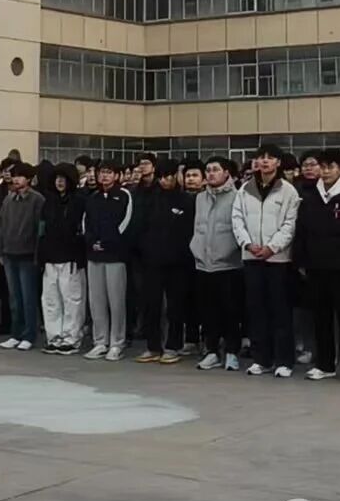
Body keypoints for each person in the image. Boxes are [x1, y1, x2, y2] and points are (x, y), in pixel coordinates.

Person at [294, 151, 340, 383]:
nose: (325, 171)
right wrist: (301, 261)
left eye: (331, 167)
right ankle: (324, 364)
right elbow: (301, 232)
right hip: (316, 267)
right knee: (321, 318)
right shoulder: (310, 198)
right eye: (323, 167)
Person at [231, 145, 300, 378]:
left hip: (278, 259)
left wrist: (272, 247)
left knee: (280, 310)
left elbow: (290, 224)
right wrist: (247, 243)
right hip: (251, 257)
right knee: (256, 310)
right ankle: (262, 359)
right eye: (261, 158)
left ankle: (284, 361)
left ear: (278, 163)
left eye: (270, 158)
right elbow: (237, 219)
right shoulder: (245, 189)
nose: (265, 161)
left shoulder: (288, 191)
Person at [135, 161, 194, 364]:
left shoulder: (186, 200)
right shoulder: (151, 199)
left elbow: (189, 232)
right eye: (161, 176)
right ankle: (153, 346)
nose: (165, 180)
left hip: (178, 263)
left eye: (169, 176)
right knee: (151, 305)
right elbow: (141, 227)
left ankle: (173, 345)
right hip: (151, 261)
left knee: (175, 307)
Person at [189, 156, 243, 372]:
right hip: (203, 263)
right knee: (207, 311)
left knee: (230, 310)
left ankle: (232, 352)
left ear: (226, 173)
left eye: (215, 170)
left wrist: (229, 251)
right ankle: (211, 351)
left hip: (228, 263)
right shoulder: (200, 198)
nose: (211, 174)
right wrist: (196, 249)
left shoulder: (238, 197)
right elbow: (197, 227)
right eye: (208, 170)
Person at [82, 162, 134, 360]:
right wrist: (92, 242)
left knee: (116, 301)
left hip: (115, 256)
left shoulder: (124, 195)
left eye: (109, 172)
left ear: (117, 175)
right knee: (96, 301)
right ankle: (100, 341)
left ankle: (117, 343)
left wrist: (107, 243)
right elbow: (86, 223)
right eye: (101, 172)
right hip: (94, 256)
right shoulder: (93, 197)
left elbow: (126, 223)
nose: (104, 176)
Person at [0, 162, 46, 351]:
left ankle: (29, 334)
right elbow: (2, 226)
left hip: (28, 255)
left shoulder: (37, 200)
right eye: (14, 176)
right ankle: (15, 334)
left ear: (29, 179)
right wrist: (0, 250)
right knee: (14, 298)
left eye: (20, 176)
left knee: (28, 297)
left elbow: (40, 230)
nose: (16, 179)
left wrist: (38, 255)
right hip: (9, 253)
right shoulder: (8, 199)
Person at [39, 162, 86, 354]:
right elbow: (42, 230)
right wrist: (41, 255)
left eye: (64, 179)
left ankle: (71, 337)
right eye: (57, 178)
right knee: (51, 299)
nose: (59, 182)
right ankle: (54, 336)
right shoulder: (48, 202)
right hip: (50, 257)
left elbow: (82, 231)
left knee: (72, 299)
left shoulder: (79, 202)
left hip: (71, 259)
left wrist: (78, 253)